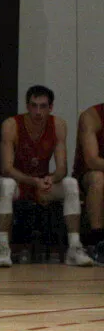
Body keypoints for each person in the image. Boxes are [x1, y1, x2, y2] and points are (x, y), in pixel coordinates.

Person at [0, 86, 91, 266]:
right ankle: (2, 247)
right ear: (27, 106)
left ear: (51, 107)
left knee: (70, 183)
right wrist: (33, 181)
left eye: (43, 106)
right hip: (19, 182)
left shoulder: (58, 125)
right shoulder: (11, 125)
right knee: (5, 184)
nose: (38, 111)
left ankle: (74, 246)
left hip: (42, 183)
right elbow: (7, 168)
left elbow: (62, 168)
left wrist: (51, 179)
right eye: (34, 106)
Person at [73, 101, 104, 265]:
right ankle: (98, 241)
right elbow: (92, 160)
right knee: (99, 178)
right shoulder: (91, 117)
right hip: (87, 176)